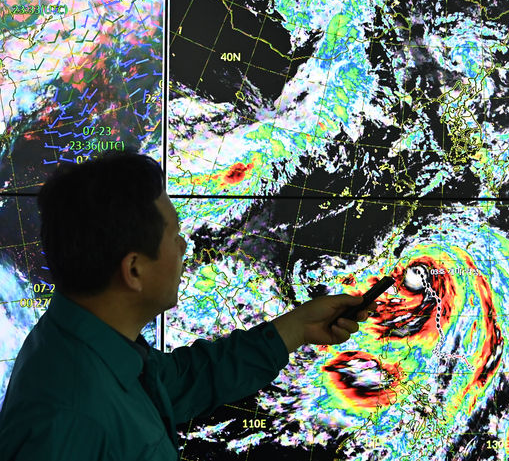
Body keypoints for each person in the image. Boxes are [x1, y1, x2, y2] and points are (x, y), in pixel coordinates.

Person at [0, 151, 375, 461]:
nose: (183, 248)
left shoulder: (89, 345)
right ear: (133, 270)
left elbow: (182, 381)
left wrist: (298, 327)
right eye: (175, 236)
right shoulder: (65, 419)